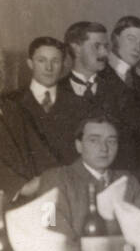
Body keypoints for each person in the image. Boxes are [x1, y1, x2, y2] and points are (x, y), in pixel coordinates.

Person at [25, 113, 140, 238]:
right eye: (94, 140)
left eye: (111, 141)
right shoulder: (54, 179)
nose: (104, 148)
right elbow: (50, 229)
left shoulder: (128, 181)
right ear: (79, 146)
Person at [92, 16, 140, 175]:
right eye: (132, 39)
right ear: (115, 39)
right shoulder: (97, 74)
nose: (138, 47)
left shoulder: (137, 80)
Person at [7, 36, 86, 172]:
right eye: (41, 60)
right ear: (30, 63)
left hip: (65, 184)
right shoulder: (9, 102)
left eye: (55, 61)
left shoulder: (79, 104)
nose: (48, 67)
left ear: (63, 65)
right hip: (25, 186)